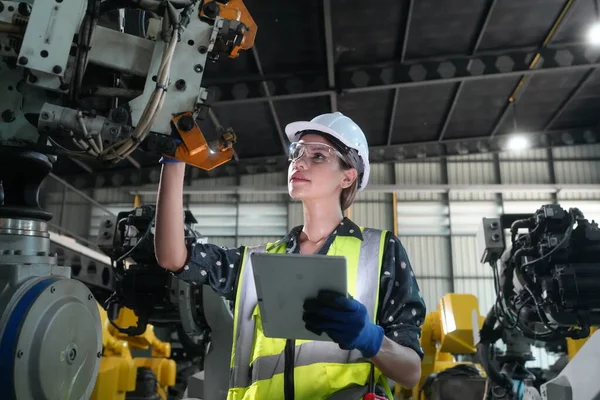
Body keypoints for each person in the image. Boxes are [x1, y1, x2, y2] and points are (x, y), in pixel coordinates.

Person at [154, 112, 426, 400]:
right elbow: (174, 256)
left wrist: (369, 338)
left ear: (348, 177)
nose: (299, 161)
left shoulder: (380, 252)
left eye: (319, 155)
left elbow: (410, 373)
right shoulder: (256, 263)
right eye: (297, 152)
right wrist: (175, 160)